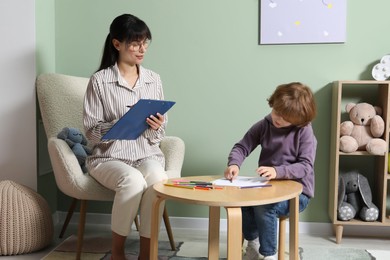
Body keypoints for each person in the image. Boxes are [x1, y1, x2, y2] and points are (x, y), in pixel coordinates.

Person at [83, 14, 168, 260]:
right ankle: (118, 253)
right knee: (132, 181)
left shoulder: (153, 79)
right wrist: (118, 124)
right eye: (135, 43)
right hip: (108, 157)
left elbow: (160, 134)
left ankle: (146, 253)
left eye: (145, 42)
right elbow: (90, 131)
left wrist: (156, 125)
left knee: (158, 179)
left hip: (146, 153)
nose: (142, 49)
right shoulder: (99, 81)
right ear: (117, 44)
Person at [224, 82, 317, 260]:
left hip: (298, 195)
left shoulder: (304, 133)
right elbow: (242, 146)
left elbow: (305, 166)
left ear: (299, 119)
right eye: (276, 112)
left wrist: (277, 171)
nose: (278, 119)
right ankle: (253, 244)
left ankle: (269, 254)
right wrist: (234, 164)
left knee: (264, 206)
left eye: (285, 118)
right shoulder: (265, 125)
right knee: (242, 202)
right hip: (266, 189)